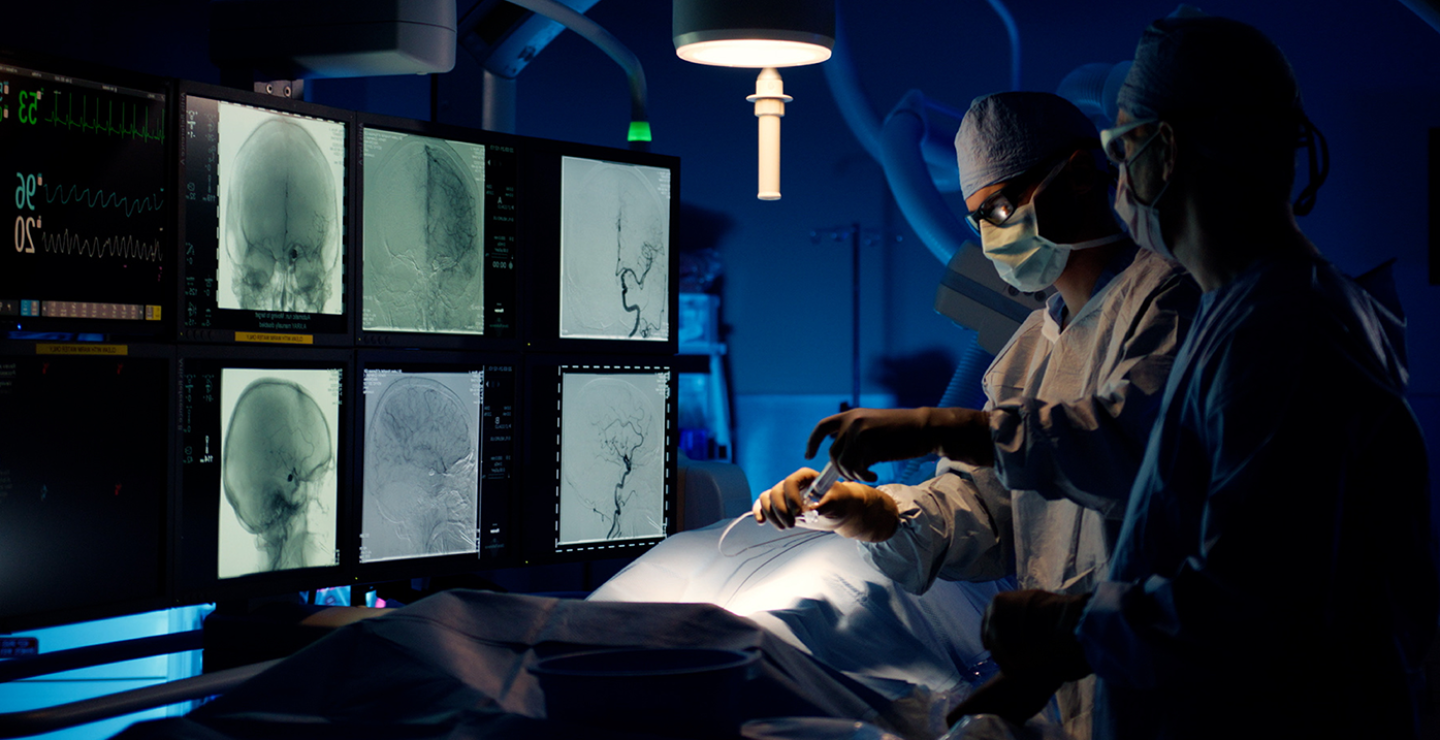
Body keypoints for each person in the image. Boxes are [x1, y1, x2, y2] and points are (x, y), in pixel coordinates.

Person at [968, 8, 1437, 740]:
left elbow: (1249, 609)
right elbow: (1192, 542)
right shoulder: (1247, 310)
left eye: (1119, 152)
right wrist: (1071, 652)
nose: (1115, 181)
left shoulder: (1282, 331)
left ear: (1163, 149)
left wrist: (1073, 626)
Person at [753, 91, 1201, 739]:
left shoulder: (1171, 304)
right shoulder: (1026, 355)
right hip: (1072, 685)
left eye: (999, 207)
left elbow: (1124, 449)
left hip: (1175, 678)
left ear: (1080, 176)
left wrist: (940, 426)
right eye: (977, 219)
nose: (992, 234)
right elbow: (991, 511)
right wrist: (869, 510)